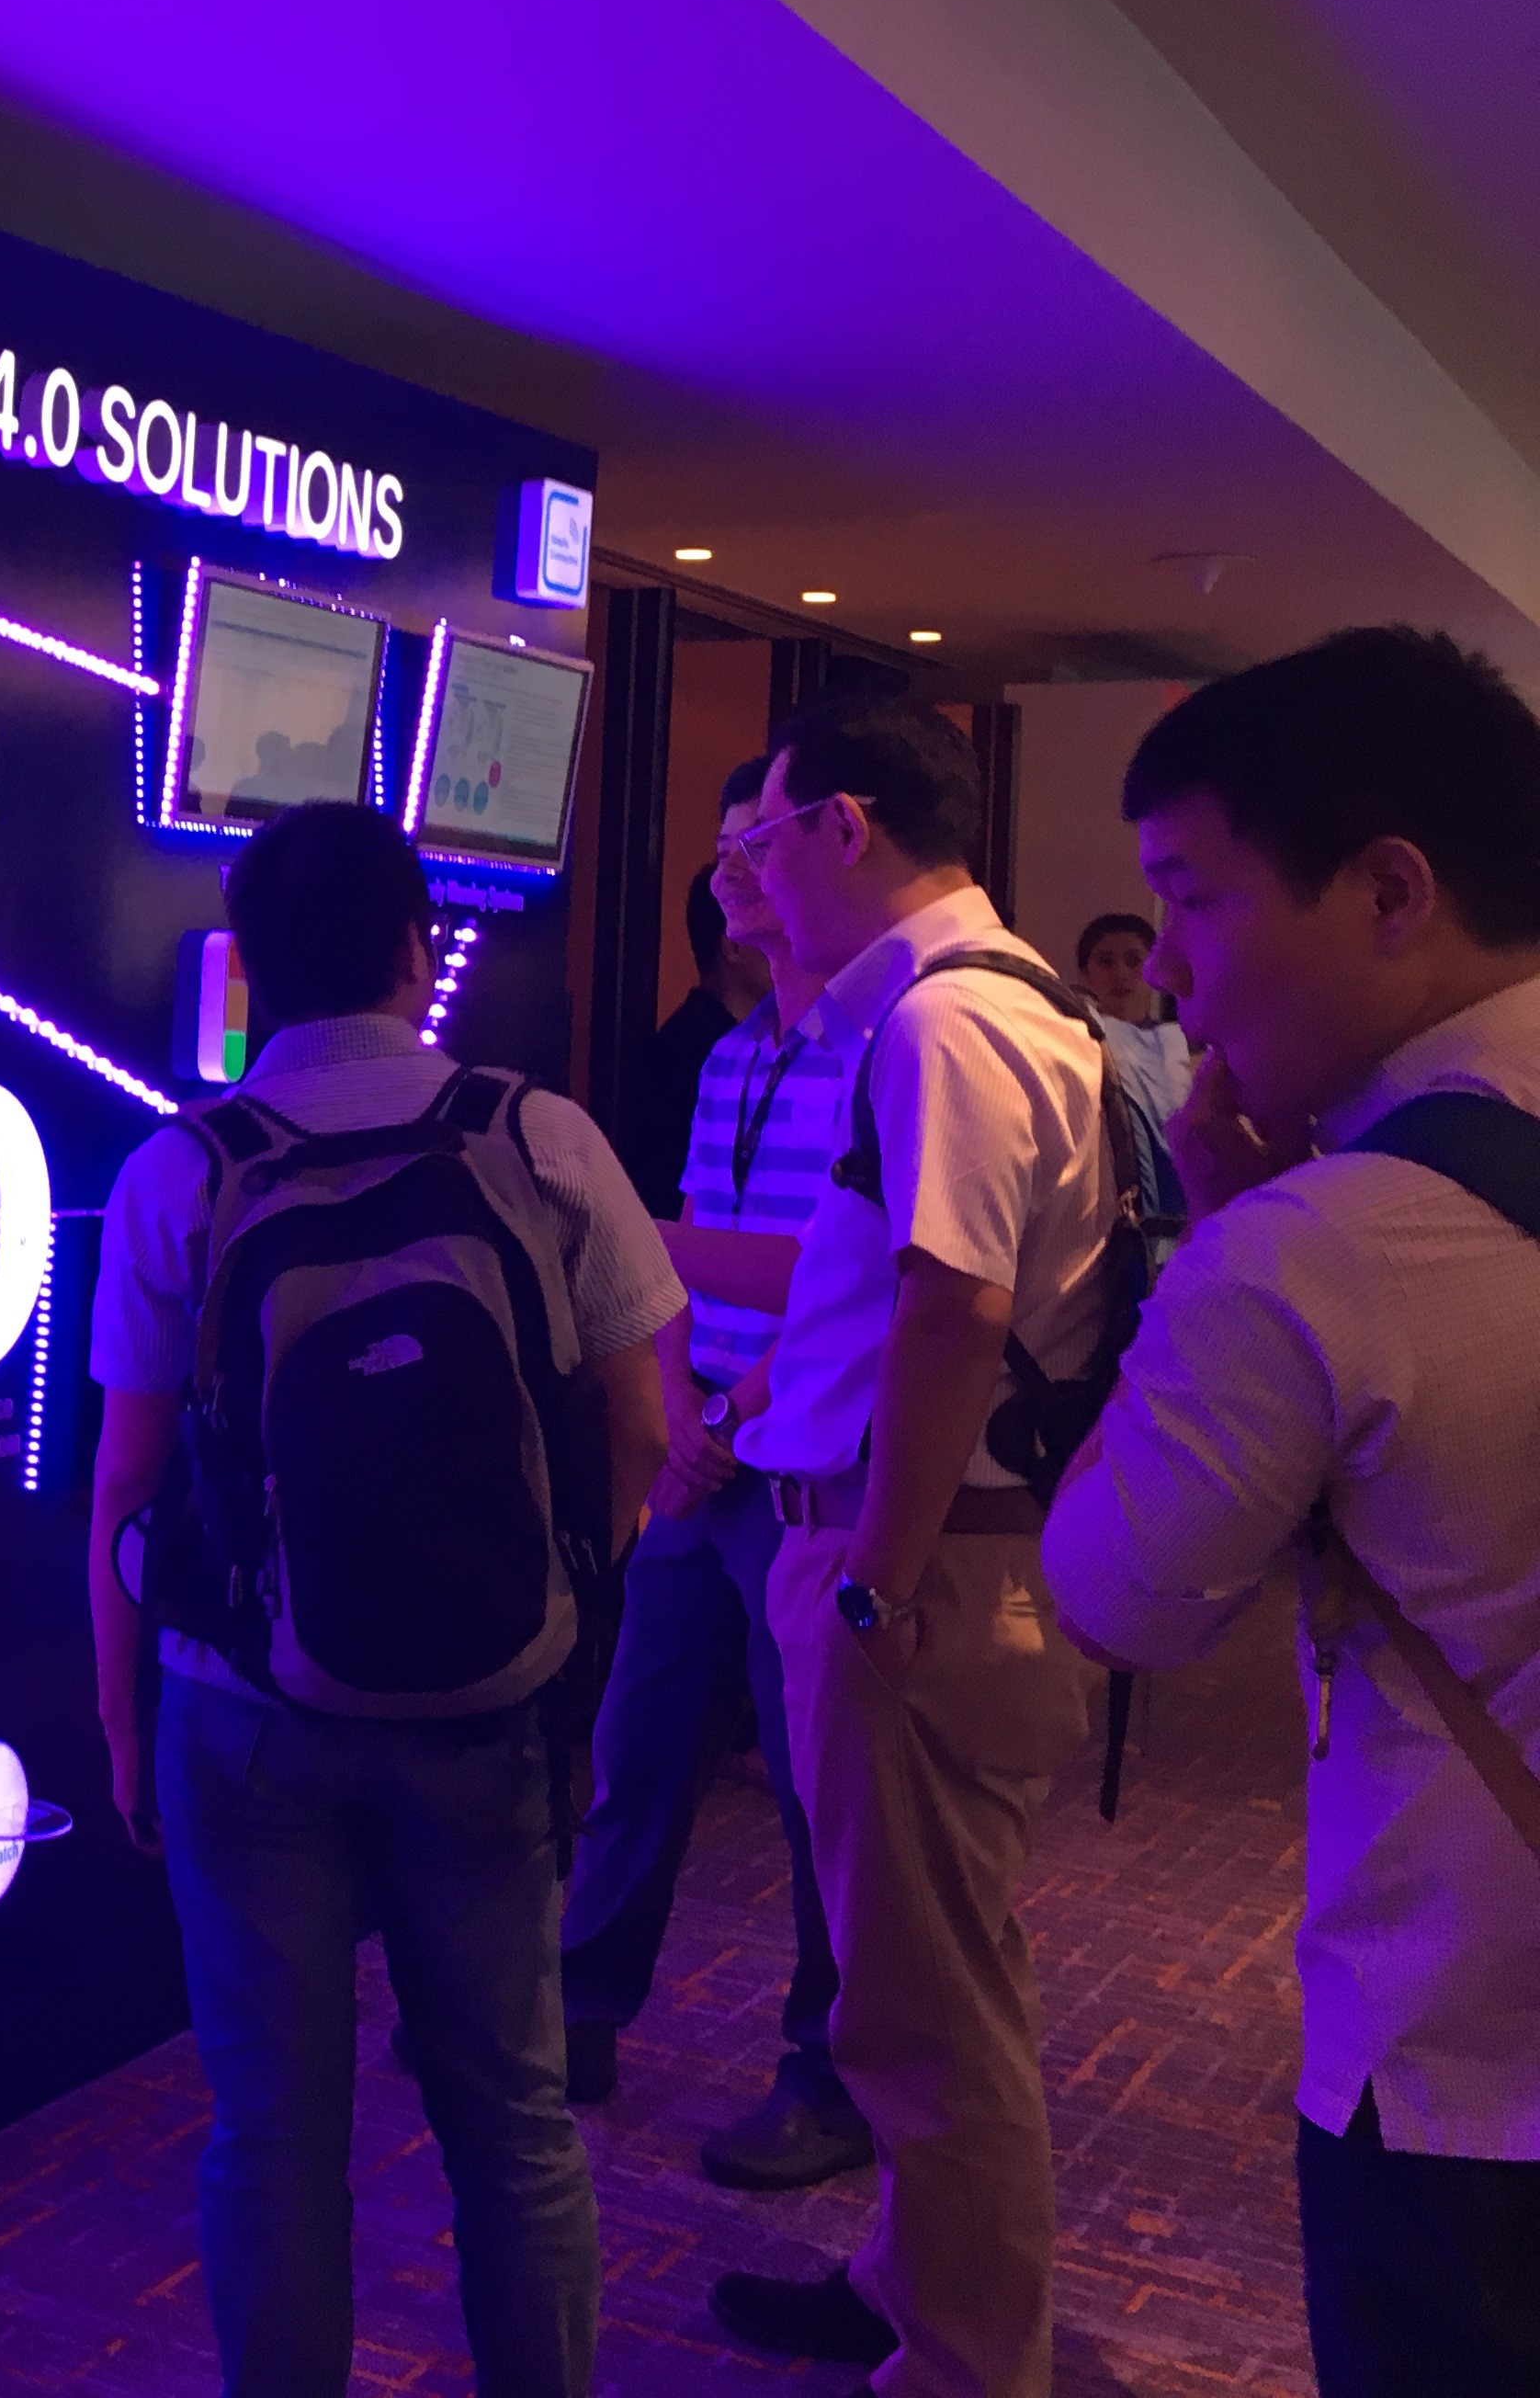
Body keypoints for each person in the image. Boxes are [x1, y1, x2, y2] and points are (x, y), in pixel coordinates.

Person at [88, 800, 678, 2398]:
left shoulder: (179, 1170)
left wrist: (124, 1720)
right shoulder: (539, 1136)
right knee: (516, 2125)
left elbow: (128, 1486)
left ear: (248, 969)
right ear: (421, 951)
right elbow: (642, 1421)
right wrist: (561, 1598)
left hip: (241, 1711)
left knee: (271, 2134)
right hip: (492, 1700)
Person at [1043, 629, 1540, 2396]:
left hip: (1464, 2062)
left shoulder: (1312, 1250)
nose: (1168, 967)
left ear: (1390, 889)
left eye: (1191, 895)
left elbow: (1116, 1589)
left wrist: (1209, 1254)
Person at [702, 695, 1114, 2392]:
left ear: (845, 827)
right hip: (953, 1552)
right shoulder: (1006, 1004)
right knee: (924, 1976)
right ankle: (912, 2285)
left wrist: (871, 1576)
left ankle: (963, 2359)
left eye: (761, 838)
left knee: (930, 2015)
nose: (748, 874)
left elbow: (953, 1309)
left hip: (918, 1566)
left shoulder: (943, 1023)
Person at [559, 756, 871, 2190]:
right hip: (709, 1448)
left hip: (799, 1455)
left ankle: (826, 2072)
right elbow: (681, 1249)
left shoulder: (885, 1050)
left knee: (816, 1790)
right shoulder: (735, 1055)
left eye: (756, 841)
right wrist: (679, 1396)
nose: (729, 869)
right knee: (635, 1746)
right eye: (725, 845)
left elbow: (851, 1282)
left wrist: (724, 1409)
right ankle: (579, 2014)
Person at [620, 866, 767, 1215]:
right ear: (732, 945)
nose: (790, 943)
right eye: (774, 931)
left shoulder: (694, 1040)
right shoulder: (700, 1055)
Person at [1072, 911, 1195, 1195]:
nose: (1120, 974)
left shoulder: (1185, 1045)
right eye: (1106, 962)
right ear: (1085, 973)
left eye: (1133, 961)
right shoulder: (1077, 1040)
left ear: (1154, 968)